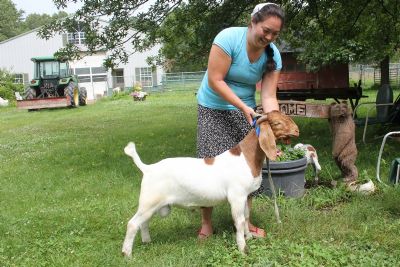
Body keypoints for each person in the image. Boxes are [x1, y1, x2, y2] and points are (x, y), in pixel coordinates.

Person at [196, 3, 285, 239]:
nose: (269, 37)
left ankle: (245, 224)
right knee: (210, 166)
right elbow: (216, 80)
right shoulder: (228, 38)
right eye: (265, 30)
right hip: (213, 105)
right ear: (253, 21)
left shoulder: (273, 55)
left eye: (275, 34)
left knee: (249, 170)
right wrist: (244, 107)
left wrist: (273, 125)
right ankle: (206, 223)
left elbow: (268, 96)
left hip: (246, 111)